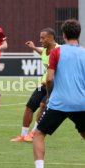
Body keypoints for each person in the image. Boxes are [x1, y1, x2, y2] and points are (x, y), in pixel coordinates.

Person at [33, 19, 85, 168]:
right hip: (81, 103)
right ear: (79, 34)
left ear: (63, 35)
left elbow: (49, 79)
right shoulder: (84, 53)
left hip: (59, 103)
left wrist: (49, 96)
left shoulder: (57, 51)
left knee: (38, 134)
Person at [11, 28, 59, 142]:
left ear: (51, 38)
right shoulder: (46, 51)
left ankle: (33, 133)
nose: (40, 40)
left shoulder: (60, 50)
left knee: (43, 106)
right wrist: (33, 48)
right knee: (29, 107)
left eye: (43, 38)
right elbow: (43, 53)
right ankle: (23, 135)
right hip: (44, 83)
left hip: (55, 86)